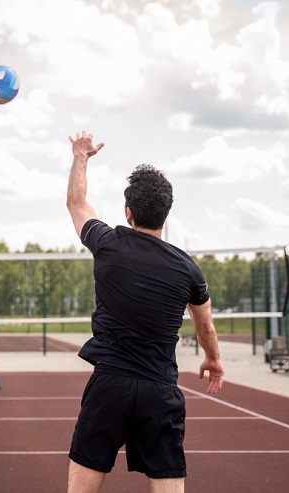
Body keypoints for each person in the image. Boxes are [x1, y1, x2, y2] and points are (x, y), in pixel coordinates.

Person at [65, 131, 225, 492]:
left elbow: (76, 203)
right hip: (160, 391)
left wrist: (80, 156)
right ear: (165, 215)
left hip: (110, 387)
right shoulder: (188, 269)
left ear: (128, 212)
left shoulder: (107, 242)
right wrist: (214, 359)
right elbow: (206, 328)